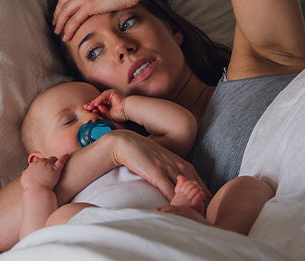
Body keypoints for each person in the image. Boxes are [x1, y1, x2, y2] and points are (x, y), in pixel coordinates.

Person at [0, 0, 305, 253]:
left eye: (129, 21)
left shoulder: (262, 61)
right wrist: (115, 148)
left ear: (172, 28)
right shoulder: (131, 160)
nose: (121, 46)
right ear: (92, 88)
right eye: (94, 52)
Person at [17, 80, 274, 243]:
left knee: (247, 187)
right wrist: (36, 187)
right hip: (119, 245)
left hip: (188, 232)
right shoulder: (57, 191)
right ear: (38, 159)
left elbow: (181, 126)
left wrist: (127, 107)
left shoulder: (145, 149)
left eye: (96, 110)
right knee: (62, 219)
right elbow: (34, 244)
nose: (90, 119)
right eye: (69, 121)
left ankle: (221, 236)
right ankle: (169, 226)